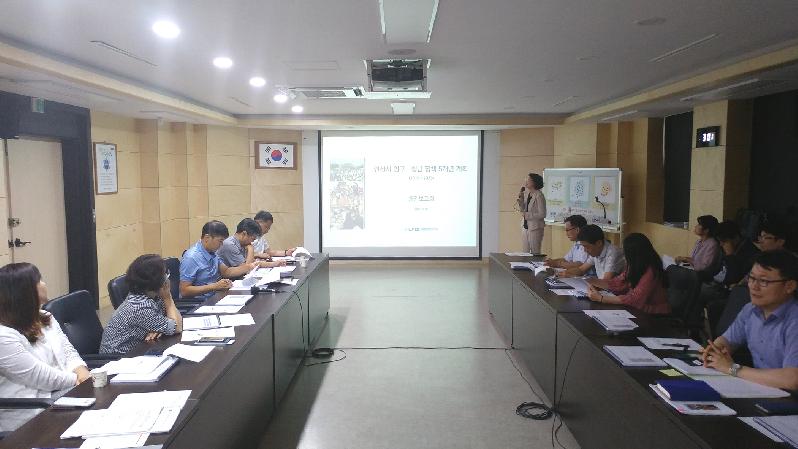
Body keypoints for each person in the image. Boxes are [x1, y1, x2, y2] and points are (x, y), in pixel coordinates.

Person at [0, 263, 90, 432]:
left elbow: (68, 351)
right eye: (39, 280)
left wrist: (82, 371)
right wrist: (78, 380)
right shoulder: (3, 335)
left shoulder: (44, 317)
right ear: (25, 291)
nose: (44, 284)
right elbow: (38, 376)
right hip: (31, 412)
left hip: (63, 392)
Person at [702, 250, 798, 390]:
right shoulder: (750, 310)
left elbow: (792, 379)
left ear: (789, 286)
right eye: (751, 278)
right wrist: (714, 352)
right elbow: (727, 341)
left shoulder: (794, 320)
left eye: (764, 281)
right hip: (762, 389)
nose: (754, 286)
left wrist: (733, 368)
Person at [100, 255, 184, 354]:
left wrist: (160, 328)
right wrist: (168, 298)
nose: (167, 278)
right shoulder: (140, 306)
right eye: (165, 274)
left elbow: (174, 321)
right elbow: (177, 327)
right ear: (158, 281)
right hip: (118, 358)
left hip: (138, 349)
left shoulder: (151, 294)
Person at [585, 233, 670, 314]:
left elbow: (634, 299)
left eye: (626, 253)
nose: (625, 256)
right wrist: (591, 281)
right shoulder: (634, 266)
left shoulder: (651, 271)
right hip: (636, 310)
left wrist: (601, 298)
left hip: (654, 315)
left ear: (634, 254)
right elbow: (618, 282)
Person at [180, 221, 256, 299]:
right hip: (201, 302)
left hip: (216, 295)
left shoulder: (212, 252)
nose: (222, 244)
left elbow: (226, 272)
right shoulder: (191, 257)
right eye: (220, 241)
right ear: (207, 238)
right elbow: (184, 290)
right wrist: (214, 286)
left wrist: (249, 267)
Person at [560, 224, 626, 280]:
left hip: (610, 289)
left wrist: (575, 277)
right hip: (602, 287)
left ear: (599, 243)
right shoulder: (596, 251)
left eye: (586, 246)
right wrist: (565, 273)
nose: (585, 250)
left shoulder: (614, 253)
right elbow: (581, 269)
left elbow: (606, 281)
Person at [217, 218, 285, 269]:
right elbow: (247, 268)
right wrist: (251, 249)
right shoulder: (230, 245)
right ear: (244, 234)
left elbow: (252, 262)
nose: (252, 242)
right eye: (252, 239)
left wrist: (274, 264)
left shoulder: (242, 243)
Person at [517, 173, 546, 254]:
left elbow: (542, 214)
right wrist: (521, 202)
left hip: (535, 228)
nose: (526, 181)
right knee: (525, 252)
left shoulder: (539, 195)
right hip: (525, 226)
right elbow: (524, 210)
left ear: (534, 182)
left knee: (535, 252)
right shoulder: (528, 194)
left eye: (528, 180)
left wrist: (528, 215)